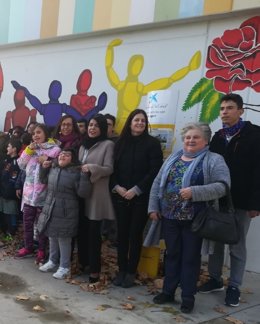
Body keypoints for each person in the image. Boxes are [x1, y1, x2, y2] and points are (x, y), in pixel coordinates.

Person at [149, 122, 230, 313]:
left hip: (195, 220)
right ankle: (168, 292)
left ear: (206, 140)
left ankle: (187, 297)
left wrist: (195, 192)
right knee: (171, 255)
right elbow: (157, 182)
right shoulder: (173, 158)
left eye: (196, 137)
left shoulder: (214, 160)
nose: (190, 140)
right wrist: (153, 207)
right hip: (169, 216)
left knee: (190, 259)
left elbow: (223, 186)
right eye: (187, 137)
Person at [198, 93, 260, 307]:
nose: (224, 112)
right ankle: (215, 279)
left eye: (230, 108)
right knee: (216, 240)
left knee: (237, 243)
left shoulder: (254, 135)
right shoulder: (217, 137)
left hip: (242, 202)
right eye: (222, 108)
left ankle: (234, 285)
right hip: (218, 199)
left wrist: (255, 203)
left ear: (241, 111)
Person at [111, 109, 163, 288]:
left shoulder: (152, 143)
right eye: (136, 120)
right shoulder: (119, 144)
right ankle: (121, 270)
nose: (140, 123)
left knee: (135, 235)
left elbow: (155, 170)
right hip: (120, 196)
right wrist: (117, 187)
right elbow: (112, 169)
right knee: (122, 235)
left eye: (143, 120)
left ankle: (131, 272)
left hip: (140, 198)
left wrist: (136, 189)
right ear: (130, 123)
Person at [105, 38, 201, 132]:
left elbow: (168, 80)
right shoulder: (122, 85)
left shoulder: (139, 87)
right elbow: (109, 68)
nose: (136, 69)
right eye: (134, 65)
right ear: (129, 66)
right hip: (120, 124)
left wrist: (188, 68)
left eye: (139, 66)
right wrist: (110, 48)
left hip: (129, 125)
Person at [37, 148, 92, 279]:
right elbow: (43, 181)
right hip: (50, 208)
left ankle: (64, 267)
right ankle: (52, 261)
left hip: (67, 211)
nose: (63, 156)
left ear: (72, 159)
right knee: (52, 236)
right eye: (61, 154)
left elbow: (83, 193)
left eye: (67, 155)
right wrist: (43, 168)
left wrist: (85, 176)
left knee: (64, 239)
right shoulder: (53, 168)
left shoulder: (76, 172)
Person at [16, 123, 61, 264]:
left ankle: (42, 249)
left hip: (44, 194)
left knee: (42, 225)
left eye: (39, 132)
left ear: (46, 134)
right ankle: (28, 247)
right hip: (29, 195)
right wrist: (29, 150)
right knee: (27, 222)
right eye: (34, 133)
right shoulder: (31, 148)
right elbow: (21, 165)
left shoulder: (54, 149)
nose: (36, 135)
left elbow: (58, 165)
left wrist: (46, 159)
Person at [78, 114, 115, 283]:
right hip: (82, 192)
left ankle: (94, 270)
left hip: (96, 195)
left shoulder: (108, 145)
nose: (92, 128)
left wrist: (91, 168)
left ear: (102, 129)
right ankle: (82, 263)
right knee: (82, 231)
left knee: (94, 234)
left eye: (96, 126)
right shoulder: (83, 145)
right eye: (90, 125)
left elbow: (109, 169)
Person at [0, 138, 22, 238]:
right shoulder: (6, 160)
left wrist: (8, 191)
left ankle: (12, 232)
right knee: (4, 212)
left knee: (11, 213)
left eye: (9, 146)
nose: (7, 148)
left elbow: (14, 178)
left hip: (10, 194)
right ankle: (5, 231)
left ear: (14, 149)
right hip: (3, 192)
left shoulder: (17, 162)